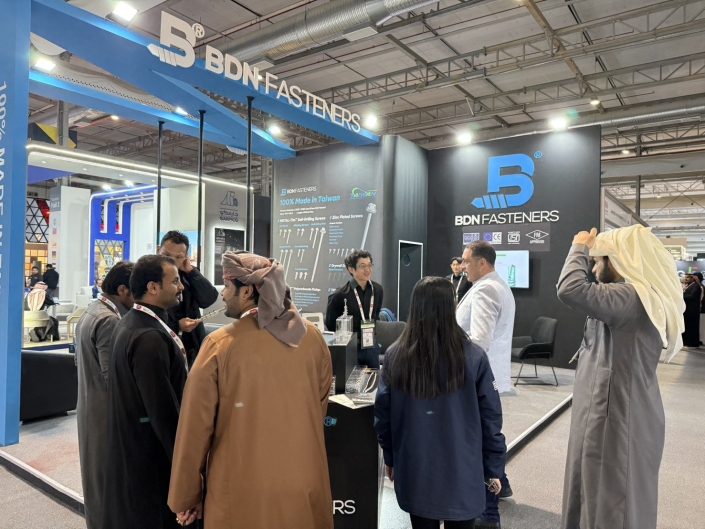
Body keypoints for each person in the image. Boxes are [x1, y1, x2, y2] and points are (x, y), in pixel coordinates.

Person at [168, 251, 334, 528]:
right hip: (304, 483)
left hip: (240, 490)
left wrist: (185, 495)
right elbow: (318, 410)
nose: (223, 294)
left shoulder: (218, 346)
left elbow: (195, 428)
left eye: (227, 286)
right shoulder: (312, 338)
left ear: (247, 291)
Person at [557, 226, 684, 529]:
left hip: (615, 416)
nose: (593, 268)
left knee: (611, 498)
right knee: (597, 489)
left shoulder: (631, 297)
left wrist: (578, 247)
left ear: (617, 259)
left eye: (598, 260)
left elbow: (570, 289)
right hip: (614, 409)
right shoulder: (638, 297)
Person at [375, 277, 506, 529]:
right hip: (463, 471)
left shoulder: (395, 356)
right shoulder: (474, 356)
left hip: (415, 470)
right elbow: (491, 419)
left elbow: (383, 418)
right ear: (451, 306)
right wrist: (493, 467)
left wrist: (391, 458)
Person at [102, 255, 187, 529]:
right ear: (153, 287)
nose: (181, 287)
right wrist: (185, 470)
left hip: (135, 449)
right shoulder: (149, 337)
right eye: (175, 281)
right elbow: (162, 411)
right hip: (149, 458)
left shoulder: (133, 323)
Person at [456, 241, 515, 528]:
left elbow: (478, 340)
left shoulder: (486, 290)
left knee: (480, 439)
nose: (462, 267)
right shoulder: (497, 285)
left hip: (476, 378)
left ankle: (488, 513)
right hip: (487, 376)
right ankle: (502, 483)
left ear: (482, 263)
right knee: (487, 433)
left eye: (466, 261)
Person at [74, 262, 134, 529]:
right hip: (104, 415)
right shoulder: (109, 320)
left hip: (90, 408)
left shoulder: (92, 311)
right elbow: (113, 378)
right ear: (122, 290)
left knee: (96, 483)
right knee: (106, 486)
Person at [159, 231, 219, 366]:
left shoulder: (188, 275)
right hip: (164, 346)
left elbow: (208, 299)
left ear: (186, 257)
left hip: (192, 347)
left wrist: (191, 272)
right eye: (166, 255)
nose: (171, 261)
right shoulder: (148, 276)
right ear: (158, 251)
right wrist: (177, 326)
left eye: (178, 257)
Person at [325, 250, 383, 369]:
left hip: (371, 344)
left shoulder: (377, 290)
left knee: (374, 377)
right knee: (352, 379)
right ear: (351, 269)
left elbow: (376, 314)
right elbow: (330, 323)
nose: (368, 270)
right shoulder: (340, 295)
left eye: (369, 265)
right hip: (351, 347)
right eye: (363, 266)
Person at [682, 273, 701, 347]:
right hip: (688, 310)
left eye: (688, 277)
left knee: (692, 327)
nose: (686, 279)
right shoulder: (689, 286)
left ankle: (692, 343)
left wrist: (682, 295)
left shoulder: (696, 286)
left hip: (692, 311)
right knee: (687, 326)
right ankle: (687, 342)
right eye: (686, 277)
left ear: (693, 278)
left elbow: (692, 296)